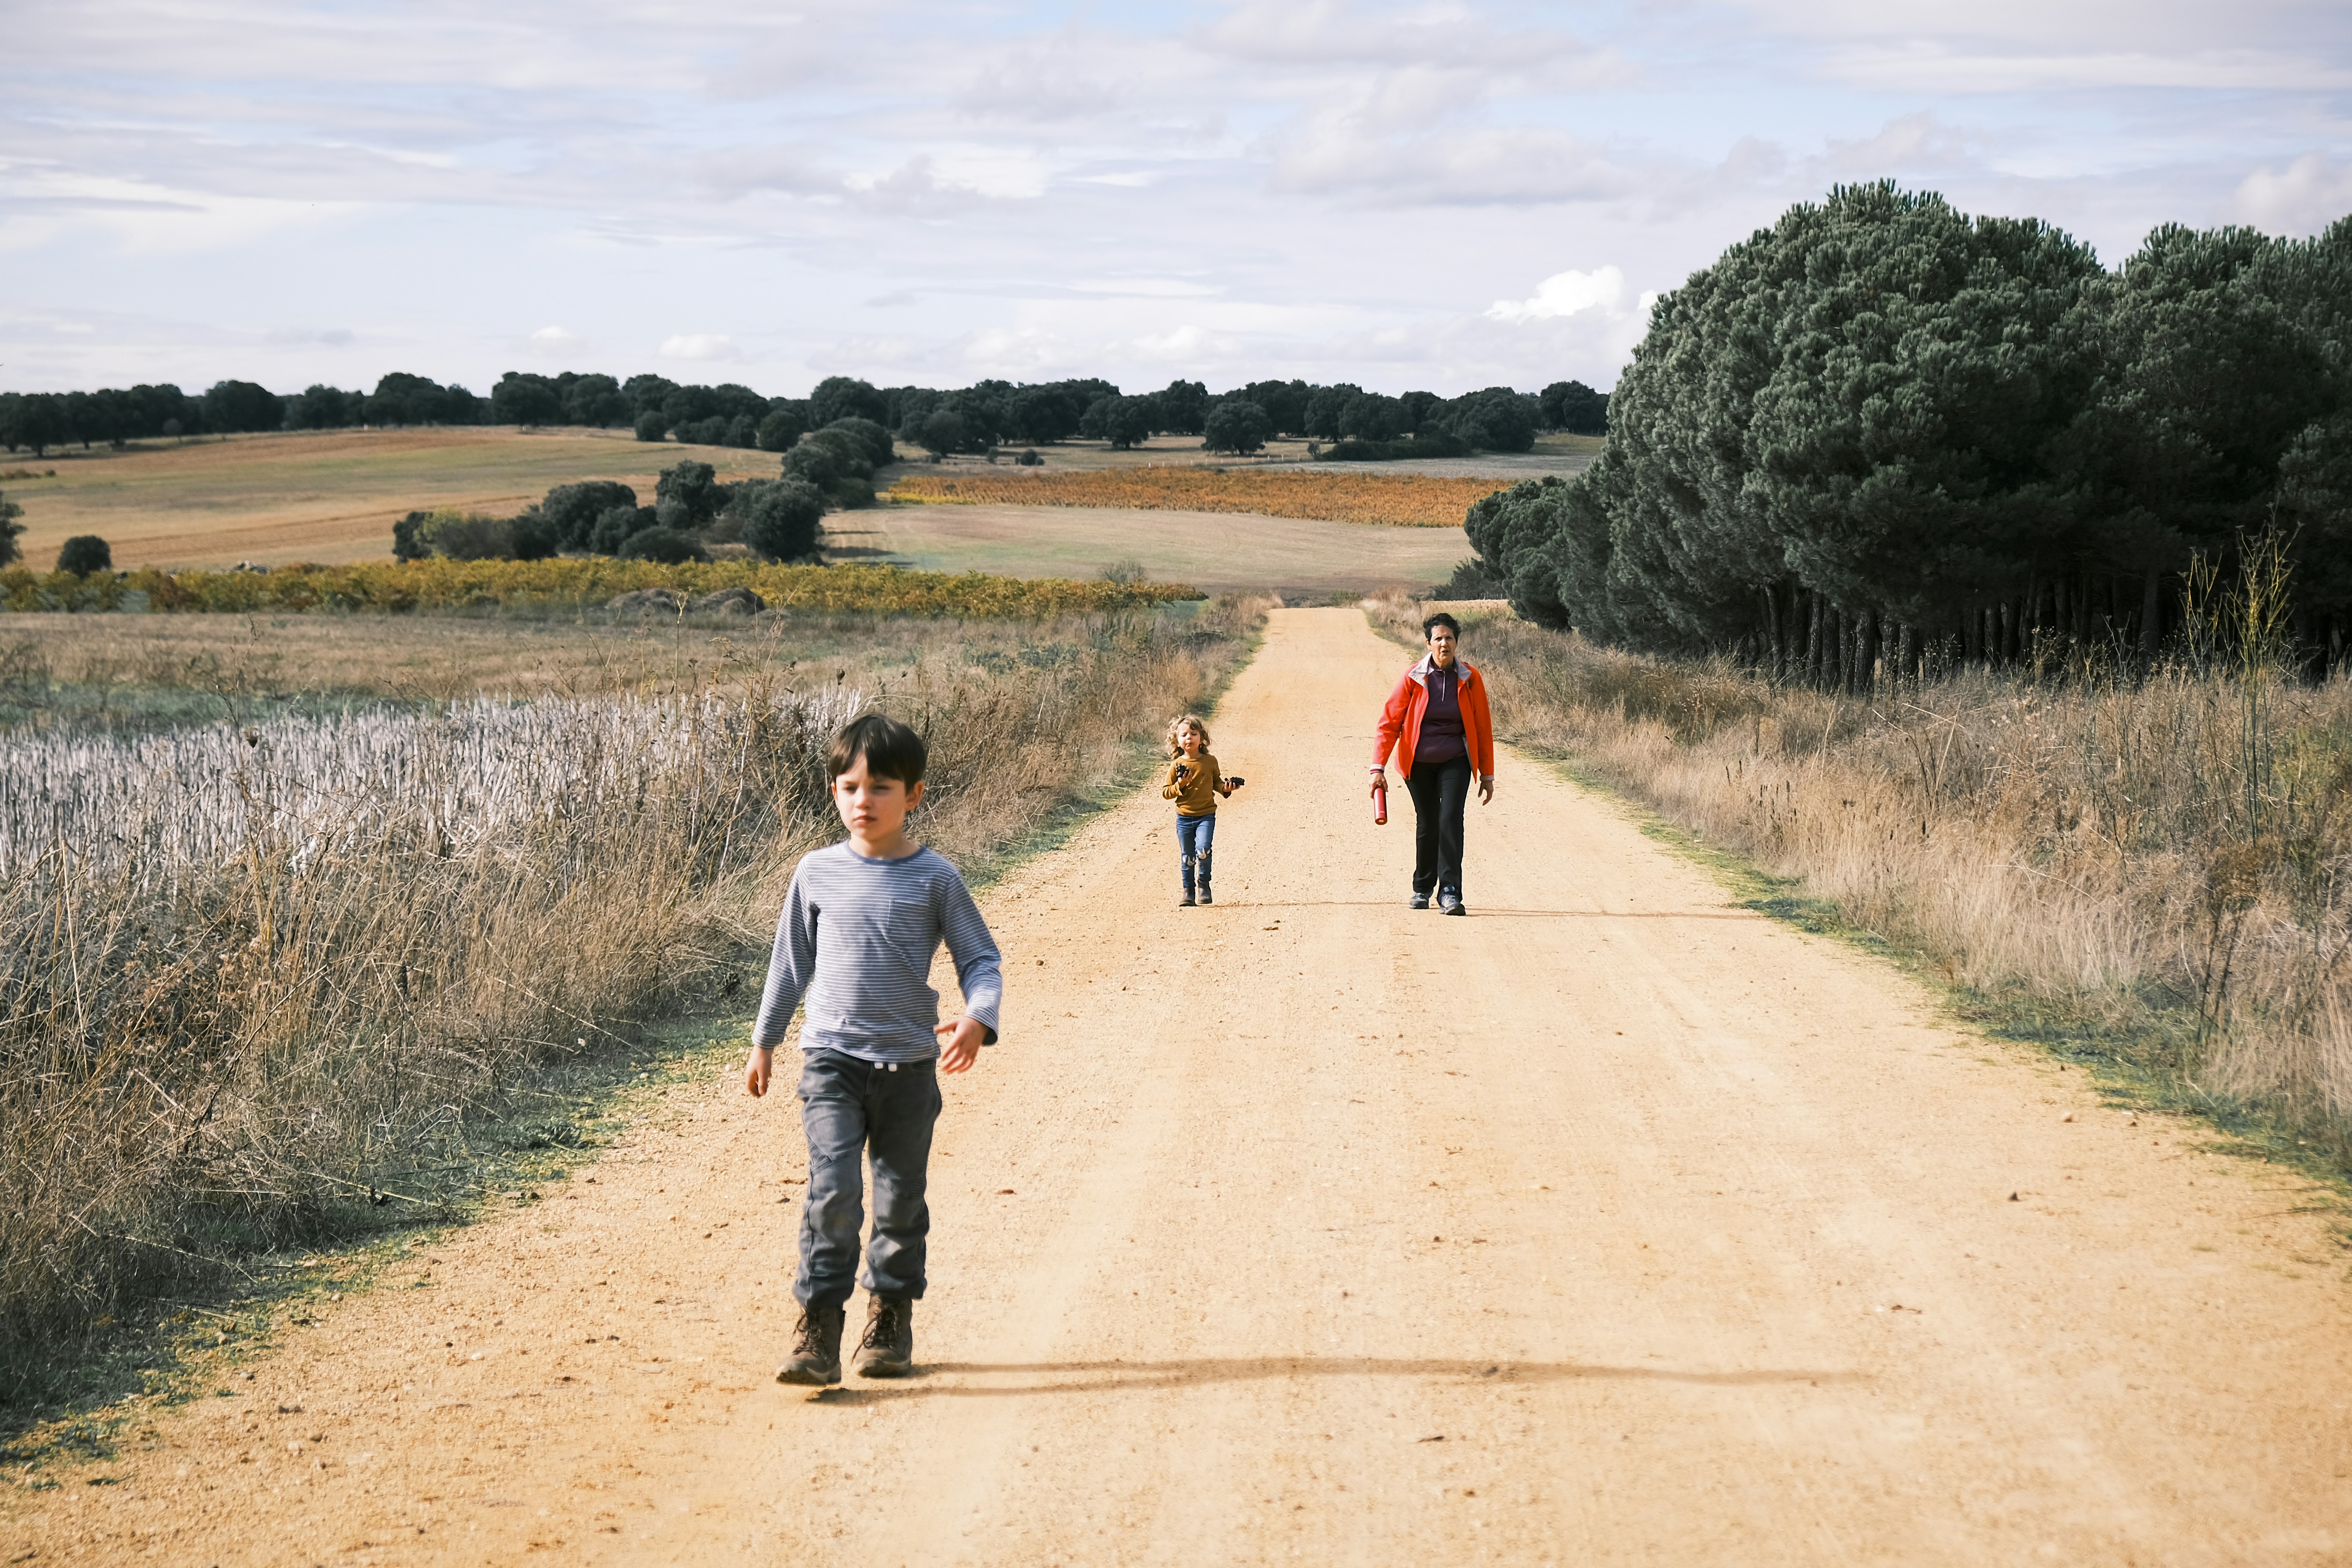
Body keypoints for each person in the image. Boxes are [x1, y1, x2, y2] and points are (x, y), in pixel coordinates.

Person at [742, 713, 1003, 1386]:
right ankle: (819, 1329)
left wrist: (979, 1017)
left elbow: (980, 959)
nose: (865, 800)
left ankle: (889, 1317)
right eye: (850, 785)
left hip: (909, 1069)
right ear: (834, 792)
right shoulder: (815, 872)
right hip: (830, 1061)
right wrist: (765, 1041)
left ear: (913, 795)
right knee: (834, 1192)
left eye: (882, 787)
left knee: (898, 1199)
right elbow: (789, 965)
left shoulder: (935, 878)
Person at [1370, 611, 1494, 914]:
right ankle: (1423, 888)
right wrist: (1378, 768)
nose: (1444, 644)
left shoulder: (1470, 678)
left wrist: (1488, 774)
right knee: (1428, 823)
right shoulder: (1414, 677)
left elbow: (1482, 727)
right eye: (1438, 638)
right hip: (1419, 763)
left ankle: (1450, 892)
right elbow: (1389, 724)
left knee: (1450, 819)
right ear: (1428, 643)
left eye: (1449, 638)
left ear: (1457, 643)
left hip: (1456, 760)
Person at [1161, 713, 1242, 906]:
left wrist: (1227, 789)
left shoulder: (1210, 761)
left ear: (1202, 738)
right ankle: (1188, 891)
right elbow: (1166, 793)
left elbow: (1217, 783)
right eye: (1184, 735)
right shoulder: (1177, 765)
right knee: (1188, 856)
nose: (1189, 738)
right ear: (1177, 741)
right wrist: (1181, 784)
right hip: (1184, 818)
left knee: (1203, 850)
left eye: (1193, 734)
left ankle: (1204, 885)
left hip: (1206, 815)